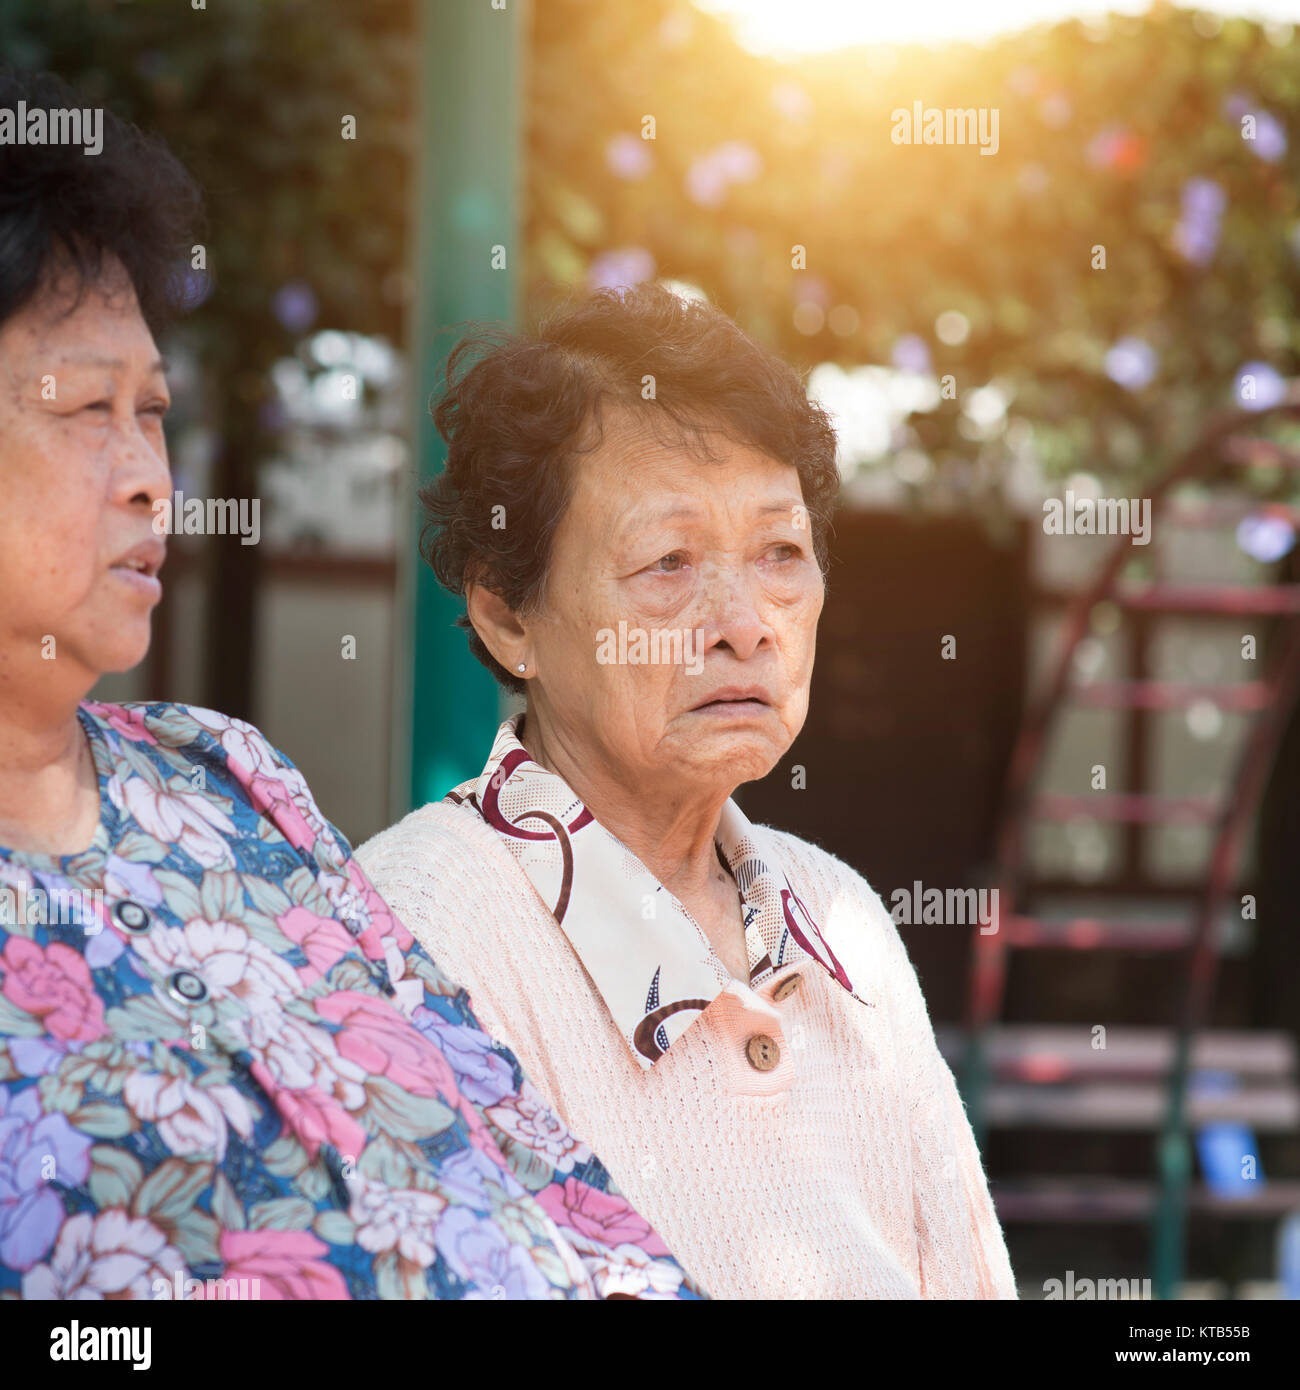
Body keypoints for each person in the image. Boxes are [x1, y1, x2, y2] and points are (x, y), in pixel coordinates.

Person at [0, 66, 700, 1301]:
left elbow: (528, 1151)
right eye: (85, 410)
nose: (147, 476)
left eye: (152, 410)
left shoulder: (227, 779)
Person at [358, 282, 1020, 1299]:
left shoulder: (840, 921)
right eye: (667, 562)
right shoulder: (416, 928)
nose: (744, 620)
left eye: (779, 552)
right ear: (506, 618)